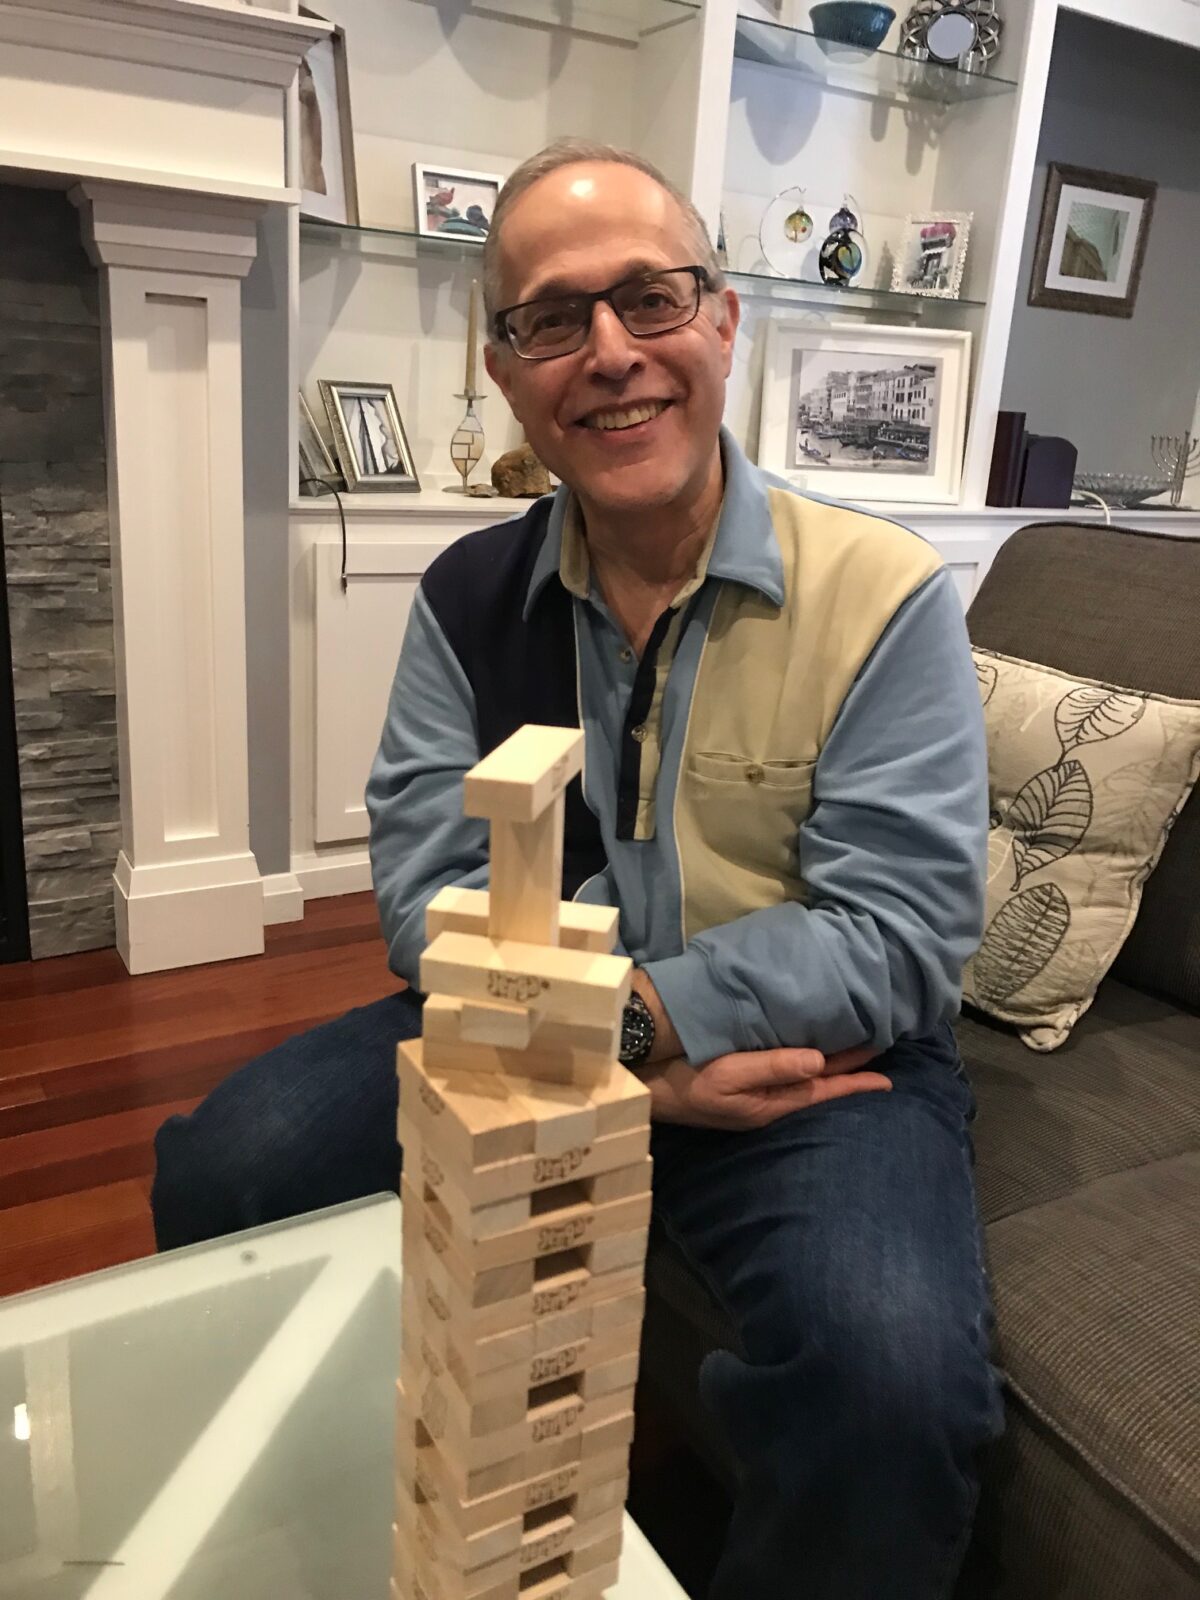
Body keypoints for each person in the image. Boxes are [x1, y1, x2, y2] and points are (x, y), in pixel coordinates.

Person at [152, 137, 1003, 1599]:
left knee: (892, 1389)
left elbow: (903, 936)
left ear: (723, 322)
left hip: (813, 1075)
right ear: (504, 367)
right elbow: (422, 897)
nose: (609, 354)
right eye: (553, 318)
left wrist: (643, 1027)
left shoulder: (882, 597)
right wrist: (621, 1057)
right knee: (223, 1174)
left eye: (650, 301)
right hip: (529, 1041)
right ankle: (358, 1523)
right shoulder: (466, 595)